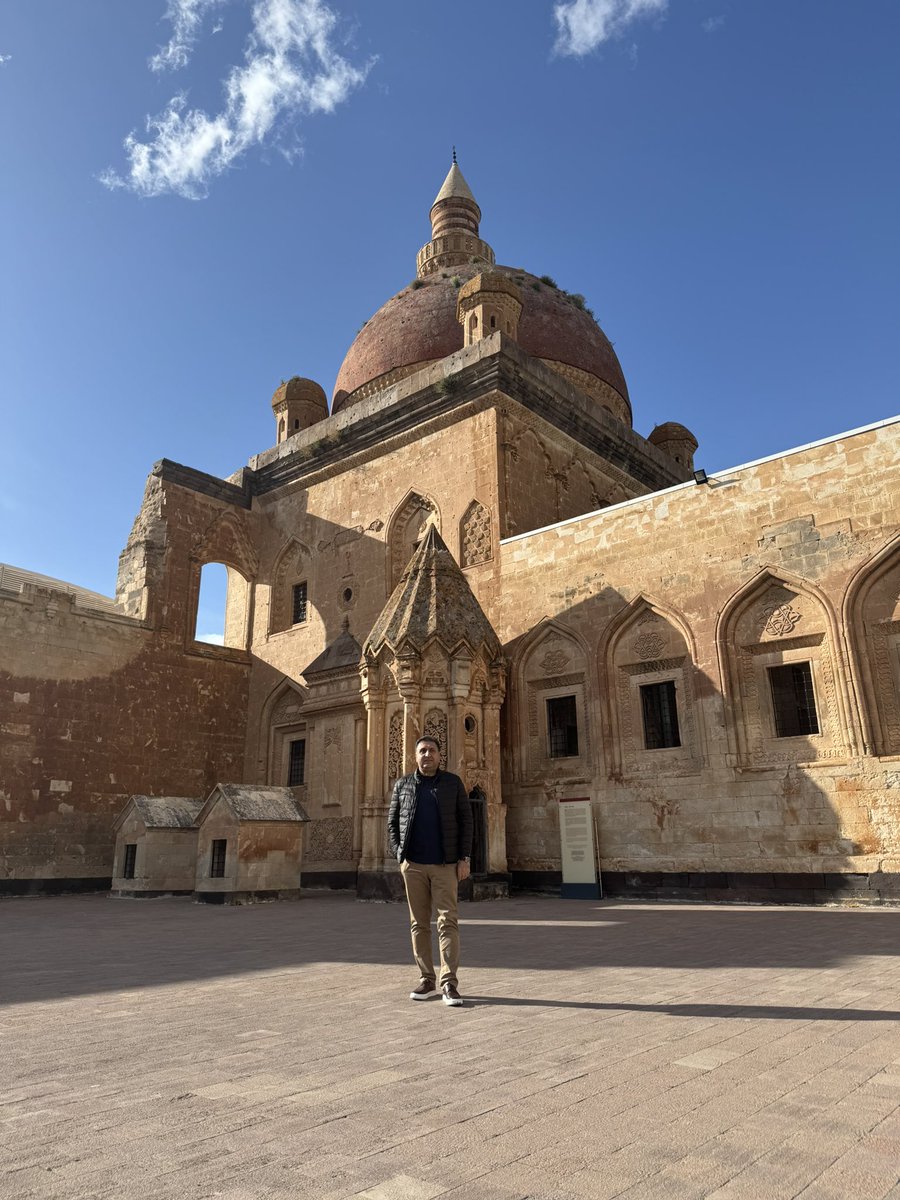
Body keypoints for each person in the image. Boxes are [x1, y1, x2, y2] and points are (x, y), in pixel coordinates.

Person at [387, 735, 472, 1006]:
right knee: (419, 923)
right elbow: (392, 823)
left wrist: (464, 858)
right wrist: (401, 856)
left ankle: (449, 984)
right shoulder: (403, 785)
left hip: (445, 865)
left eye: (431, 751)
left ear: (439, 755)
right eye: (422, 751)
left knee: (448, 921)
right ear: (415, 756)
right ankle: (426, 979)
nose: (427, 755)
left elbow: (466, 821)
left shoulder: (452, 783)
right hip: (413, 865)